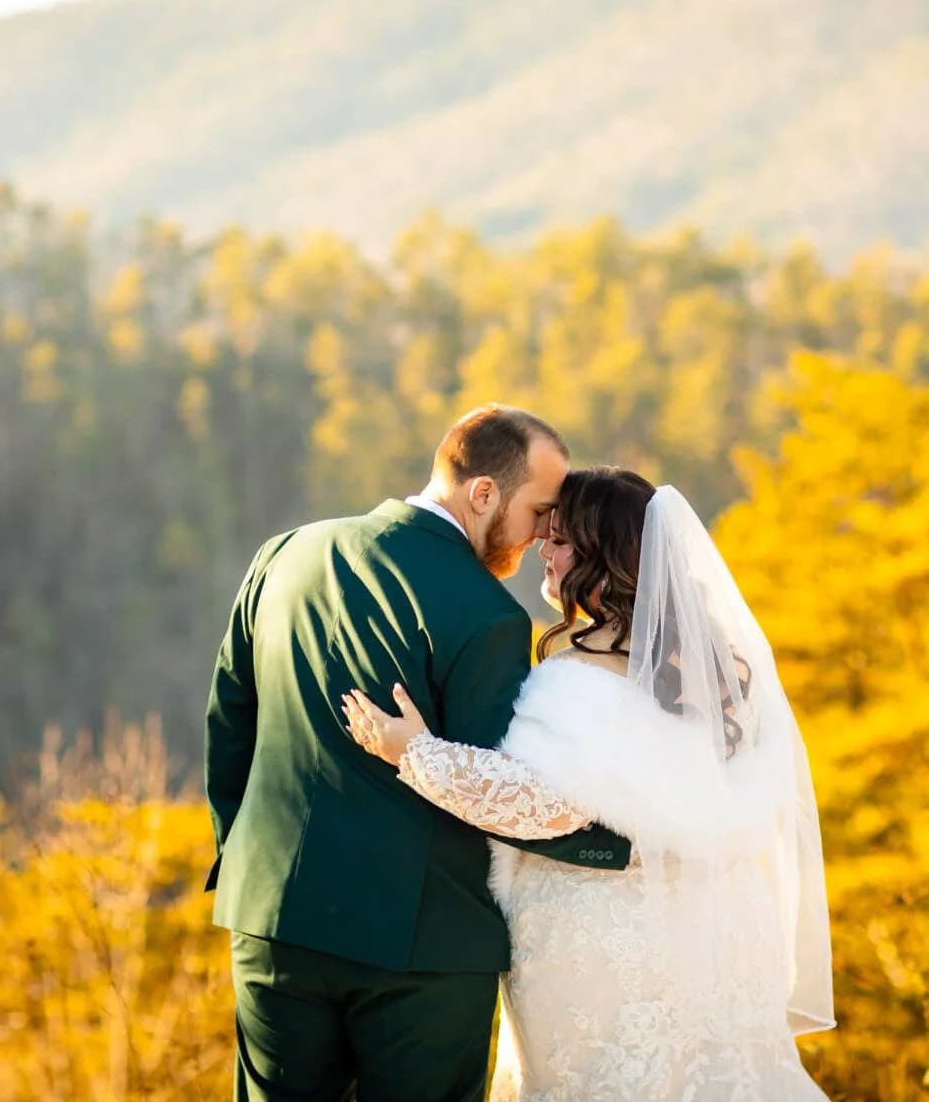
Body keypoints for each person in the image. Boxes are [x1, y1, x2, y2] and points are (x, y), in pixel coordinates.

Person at [345, 466, 833, 1101]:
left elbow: (547, 805)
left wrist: (416, 754)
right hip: (720, 935)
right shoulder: (725, 672)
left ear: (605, 558)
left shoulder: (579, 674)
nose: (543, 550)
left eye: (562, 540)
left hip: (602, 950)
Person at [204, 405, 634, 1102]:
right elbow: (498, 788)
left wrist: (249, 857)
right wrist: (620, 844)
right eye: (540, 512)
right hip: (425, 946)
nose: (543, 536)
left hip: (271, 917)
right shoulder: (489, 615)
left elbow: (230, 724)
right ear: (484, 494)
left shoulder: (282, 555)